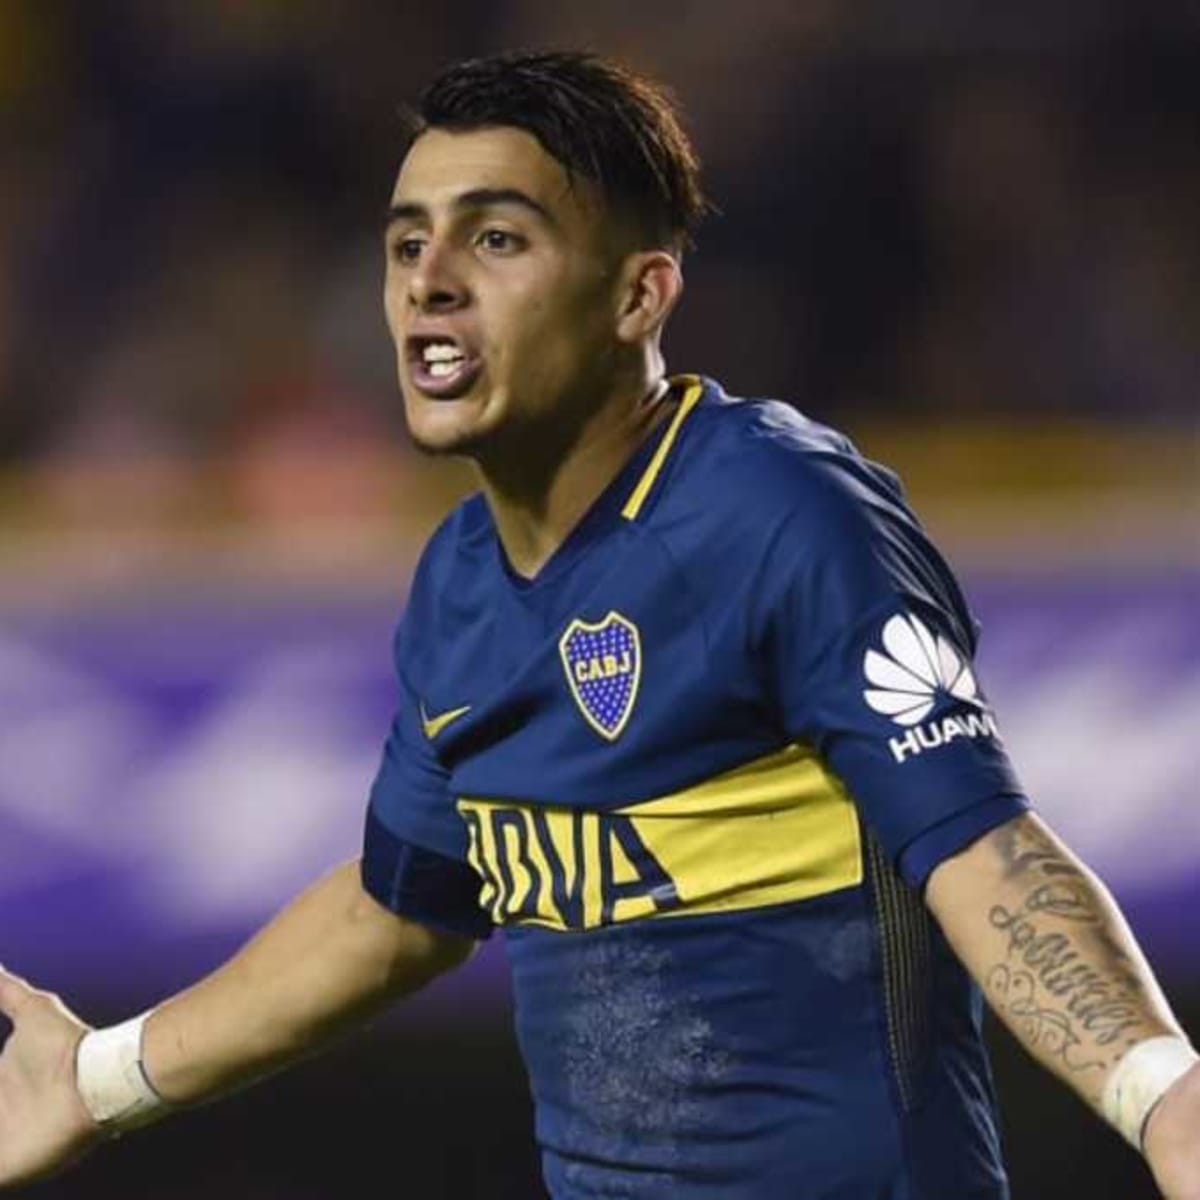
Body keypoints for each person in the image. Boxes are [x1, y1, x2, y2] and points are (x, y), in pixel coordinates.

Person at [0, 50, 1196, 1200]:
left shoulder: (781, 515)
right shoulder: (459, 579)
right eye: (407, 242)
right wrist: (99, 1078)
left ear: (639, 294)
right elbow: (400, 906)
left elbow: (981, 849)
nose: (430, 279)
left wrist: (1160, 1092)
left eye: (497, 237)